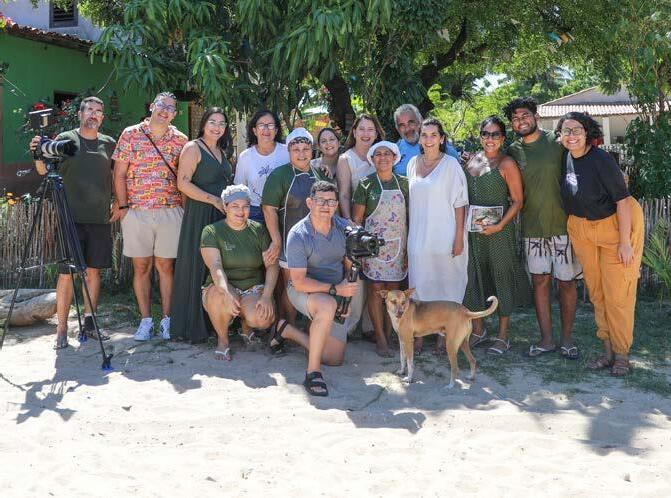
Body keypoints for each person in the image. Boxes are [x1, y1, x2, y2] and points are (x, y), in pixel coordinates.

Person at [557, 112, 644, 376]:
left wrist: (625, 242)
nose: (571, 135)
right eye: (566, 131)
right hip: (582, 229)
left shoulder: (601, 159)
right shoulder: (566, 158)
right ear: (560, 136)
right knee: (597, 293)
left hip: (613, 227)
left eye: (576, 130)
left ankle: (622, 354)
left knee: (618, 294)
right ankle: (607, 352)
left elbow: (622, 200)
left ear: (587, 133)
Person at [29, 96, 116, 349]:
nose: (93, 114)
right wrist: (37, 152)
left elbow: (116, 175)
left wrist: (119, 202)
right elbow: (43, 170)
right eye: (89, 110)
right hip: (69, 218)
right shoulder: (65, 139)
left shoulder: (109, 143)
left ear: (102, 117)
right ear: (80, 114)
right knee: (67, 274)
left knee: (93, 272)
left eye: (98, 111)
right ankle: (62, 330)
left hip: (99, 217)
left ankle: (90, 323)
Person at [504, 97, 582, 358]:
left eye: (525, 115)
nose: (521, 121)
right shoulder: (513, 151)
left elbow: (581, 165)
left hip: (563, 225)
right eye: (515, 118)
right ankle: (546, 340)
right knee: (540, 282)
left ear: (536, 116)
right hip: (532, 228)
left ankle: (567, 340)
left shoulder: (557, 142)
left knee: (567, 283)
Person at [268, 181, 359, 397]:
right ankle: (313, 372)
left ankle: (287, 330)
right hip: (303, 290)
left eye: (331, 202)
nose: (326, 206)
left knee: (334, 359)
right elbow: (299, 281)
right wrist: (337, 291)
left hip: (335, 292)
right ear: (310, 203)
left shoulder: (343, 228)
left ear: (336, 205)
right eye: (320, 201)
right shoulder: (299, 234)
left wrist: (346, 299)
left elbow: (350, 267)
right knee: (326, 306)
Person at [111, 91, 188, 341]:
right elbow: (119, 174)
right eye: (162, 105)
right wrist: (123, 207)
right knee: (141, 266)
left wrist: (185, 210)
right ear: (152, 106)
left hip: (170, 210)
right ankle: (145, 321)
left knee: (166, 267)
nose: (165, 111)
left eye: (171, 108)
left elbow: (184, 179)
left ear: (175, 114)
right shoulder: (130, 134)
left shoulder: (181, 140)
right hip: (137, 211)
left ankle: (167, 320)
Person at [462, 116, 531, 354]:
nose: (489, 139)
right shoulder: (473, 160)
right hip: (475, 232)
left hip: (499, 233)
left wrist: (500, 226)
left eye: (495, 134)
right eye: (485, 134)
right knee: (475, 277)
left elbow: (518, 201)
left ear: (502, 138)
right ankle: (478, 330)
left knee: (501, 277)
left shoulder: (506, 163)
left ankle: (503, 335)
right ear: (480, 136)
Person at [170, 108, 234, 343]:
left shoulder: (221, 151)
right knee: (197, 266)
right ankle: (190, 325)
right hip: (200, 213)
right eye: (212, 122)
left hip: (220, 215)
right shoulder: (193, 148)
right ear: (204, 124)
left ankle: (215, 321)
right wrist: (213, 200)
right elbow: (183, 184)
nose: (217, 127)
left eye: (222, 123)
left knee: (215, 267)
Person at [407, 118, 469, 355]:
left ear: (442, 138)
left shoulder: (451, 165)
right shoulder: (412, 164)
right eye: (424, 135)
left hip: (446, 236)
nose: (429, 139)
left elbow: (460, 203)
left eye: (434, 135)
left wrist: (458, 237)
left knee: (446, 287)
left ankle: (445, 336)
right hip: (418, 239)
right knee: (420, 286)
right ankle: (419, 335)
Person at [200, 185, 279, 360]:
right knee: (219, 297)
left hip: (252, 287)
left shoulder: (259, 230)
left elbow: (272, 265)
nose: (240, 211)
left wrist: (267, 296)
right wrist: (226, 291)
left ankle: (246, 324)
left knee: (263, 318)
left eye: (245, 206)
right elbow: (215, 266)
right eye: (235, 206)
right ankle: (223, 340)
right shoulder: (212, 231)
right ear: (225, 206)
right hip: (222, 284)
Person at [261, 128, 331, 324]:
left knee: (316, 285)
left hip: (318, 242)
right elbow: (269, 209)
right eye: (296, 150)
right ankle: (289, 328)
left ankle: (314, 328)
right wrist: (276, 240)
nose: (301, 154)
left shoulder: (321, 174)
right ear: (289, 152)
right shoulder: (279, 175)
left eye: (305, 149)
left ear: (312, 150)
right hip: (289, 242)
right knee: (291, 286)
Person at [352, 141, 409, 357]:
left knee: (394, 291)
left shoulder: (404, 184)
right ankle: (380, 337)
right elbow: (357, 220)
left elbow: (411, 217)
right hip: (372, 246)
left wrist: (409, 249)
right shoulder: (366, 184)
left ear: (395, 158)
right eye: (378, 154)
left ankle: (391, 332)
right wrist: (359, 250)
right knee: (376, 290)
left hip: (398, 246)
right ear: (372, 159)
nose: (383, 157)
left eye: (387, 154)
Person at [233, 110, 288, 224]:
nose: (266, 129)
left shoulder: (287, 152)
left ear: (276, 130)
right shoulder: (245, 157)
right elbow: (240, 189)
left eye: (270, 125)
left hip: (283, 211)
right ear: (254, 130)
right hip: (255, 213)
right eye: (261, 125)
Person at [335, 114, 385, 220]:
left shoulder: (383, 157)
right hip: (358, 220)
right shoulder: (346, 159)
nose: (366, 134)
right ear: (354, 132)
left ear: (376, 134)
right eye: (361, 129)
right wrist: (349, 222)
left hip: (383, 219)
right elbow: (344, 195)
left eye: (370, 129)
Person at [393, 104, 460, 176]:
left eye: (411, 123)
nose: (407, 129)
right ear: (397, 128)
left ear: (420, 121)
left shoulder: (438, 144)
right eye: (402, 125)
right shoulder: (395, 149)